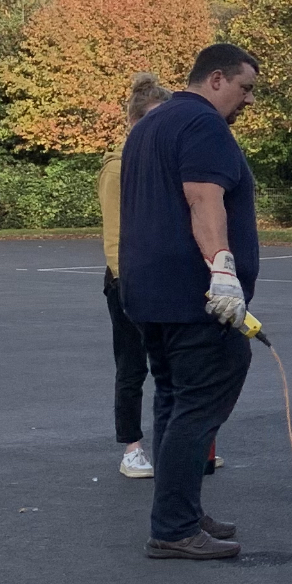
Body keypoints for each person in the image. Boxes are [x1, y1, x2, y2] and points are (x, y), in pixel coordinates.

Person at [117, 42, 263, 560]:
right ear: (217, 79)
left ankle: (179, 507)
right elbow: (204, 201)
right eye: (245, 89)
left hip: (148, 292)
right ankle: (175, 527)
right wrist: (223, 270)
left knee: (174, 399)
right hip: (191, 294)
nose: (248, 101)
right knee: (199, 401)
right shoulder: (204, 126)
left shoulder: (149, 125)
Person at [97, 73, 175, 479]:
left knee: (173, 364)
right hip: (127, 281)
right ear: (136, 121)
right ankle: (131, 449)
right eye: (154, 119)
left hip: (164, 278)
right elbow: (115, 235)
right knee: (132, 366)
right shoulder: (118, 168)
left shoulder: (168, 161)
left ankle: (174, 444)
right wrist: (125, 282)